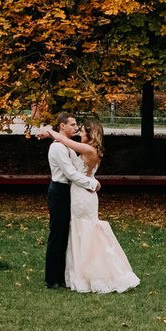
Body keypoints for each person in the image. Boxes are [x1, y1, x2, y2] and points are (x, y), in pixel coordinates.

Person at [42, 119, 139, 294]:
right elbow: (68, 152)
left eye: (82, 131)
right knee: (81, 231)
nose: (79, 132)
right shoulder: (91, 150)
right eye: (75, 127)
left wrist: (49, 132)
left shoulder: (88, 149)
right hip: (81, 193)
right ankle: (76, 273)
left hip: (82, 194)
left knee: (85, 232)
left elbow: (66, 144)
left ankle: (91, 272)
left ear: (90, 134)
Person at [41, 114, 97, 289]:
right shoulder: (57, 148)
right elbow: (70, 173)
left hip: (68, 192)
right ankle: (52, 279)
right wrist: (92, 183)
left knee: (66, 234)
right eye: (72, 125)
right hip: (58, 191)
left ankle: (62, 275)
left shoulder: (69, 147)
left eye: (76, 125)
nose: (75, 128)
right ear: (62, 126)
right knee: (57, 233)